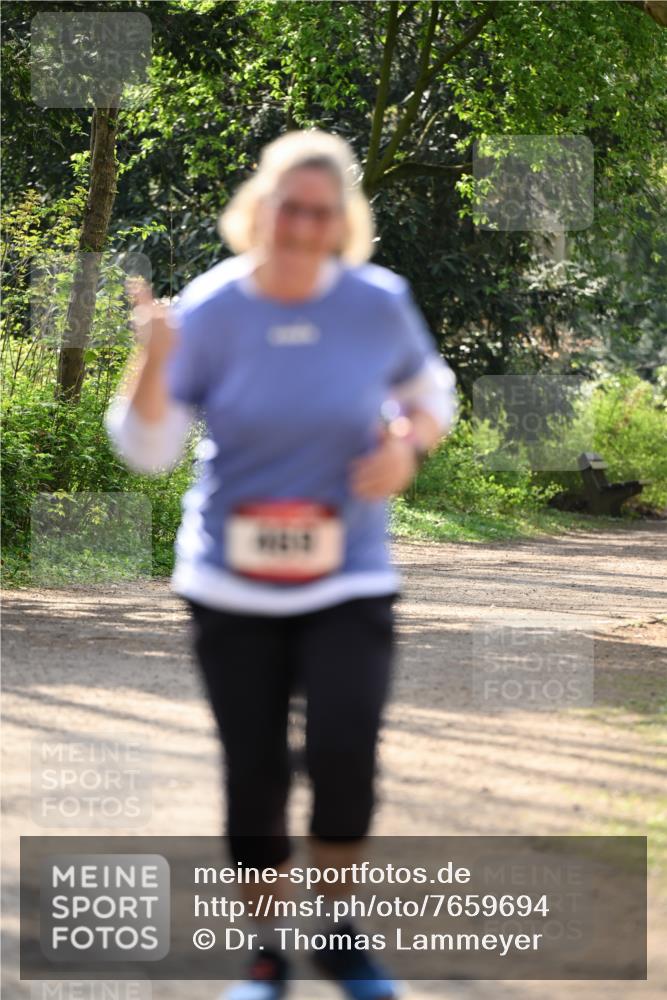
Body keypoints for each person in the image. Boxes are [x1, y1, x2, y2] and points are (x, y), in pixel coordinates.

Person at [106, 129, 457, 1000]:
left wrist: (409, 446)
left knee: (344, 752)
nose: (302, 225)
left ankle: (338, 936)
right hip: (231, 579)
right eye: (288, 208)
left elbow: (430, 392)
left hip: (349, 576)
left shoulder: (378, 302)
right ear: (259, 211)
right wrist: (153, 363)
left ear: (342, 221)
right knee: (253, 767)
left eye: (321, 212)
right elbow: (148, 449)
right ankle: (265, 953)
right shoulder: (215, 306)